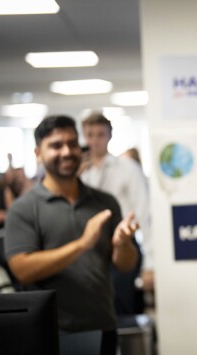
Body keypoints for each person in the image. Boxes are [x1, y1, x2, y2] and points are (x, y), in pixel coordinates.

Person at [4, 115, 139, 355]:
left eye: (72, 143)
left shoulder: (104, 202)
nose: (67, 151)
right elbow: (22, 269)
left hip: (102, 325)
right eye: (56, 145)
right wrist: (81, 244)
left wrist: (123, 245)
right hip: (50, 333)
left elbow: (125, 265)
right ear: (38, 153)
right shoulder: (24, 209)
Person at [80, 113, 153, 315]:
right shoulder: (79, 174)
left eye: (100, 134)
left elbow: (145, 214)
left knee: (122, 308)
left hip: (123, 245)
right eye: (90, 135)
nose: (95, 140)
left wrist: (150, 264)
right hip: (90, 251)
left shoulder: (127, 168)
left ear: (109, 136)